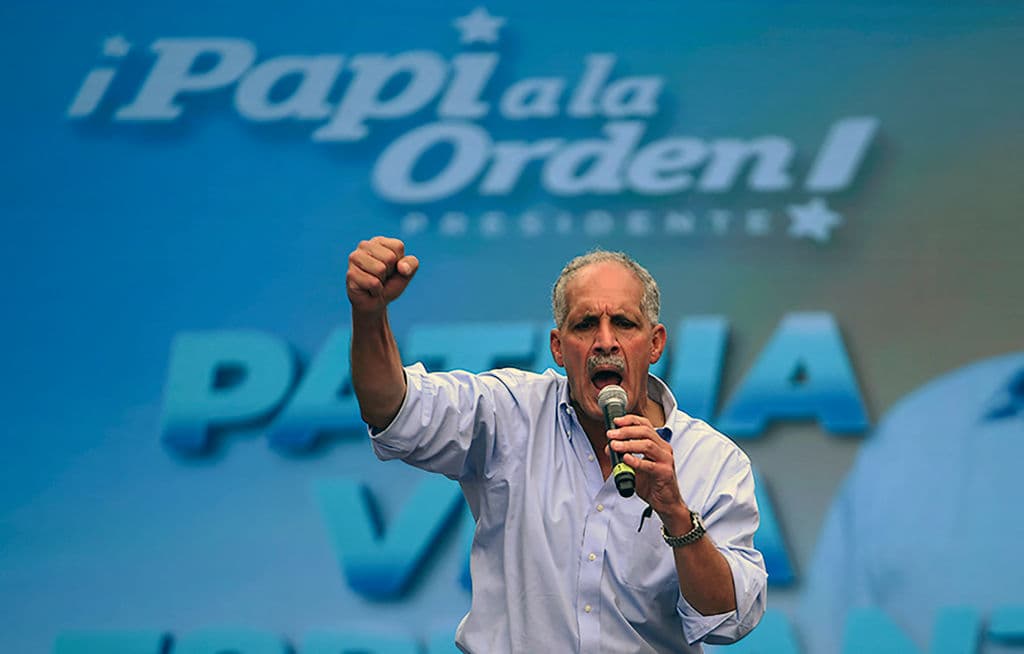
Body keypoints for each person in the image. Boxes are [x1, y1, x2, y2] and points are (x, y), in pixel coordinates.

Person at [347, 236, 767, 653]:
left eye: (623, 322)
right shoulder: (507, 413)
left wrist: (676, 514)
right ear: (558, 347)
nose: (605, 342)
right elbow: (391, 408)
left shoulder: (713, 461)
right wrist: (370, 314)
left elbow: (728, 619)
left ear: (655, 343)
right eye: (585, 325)